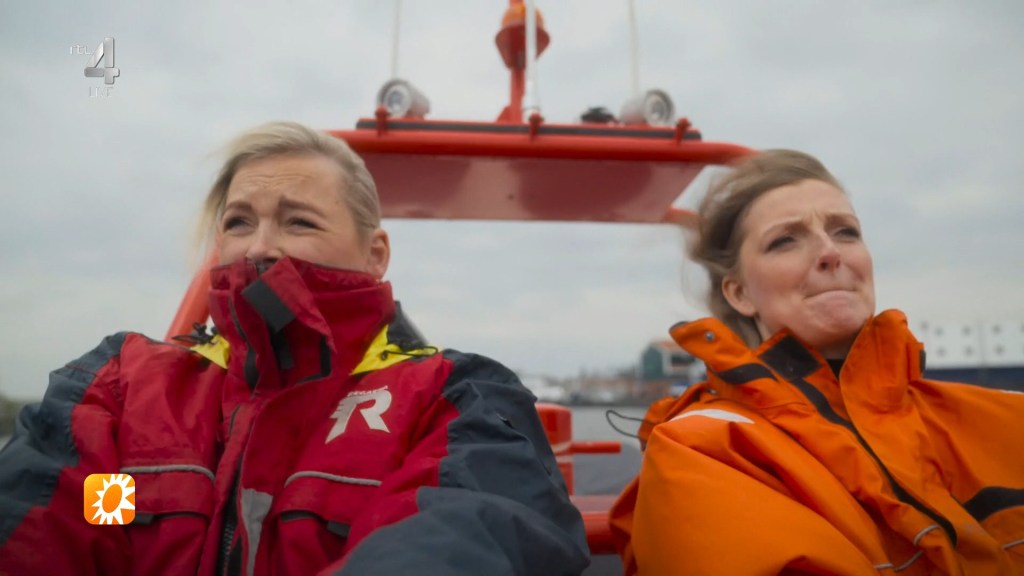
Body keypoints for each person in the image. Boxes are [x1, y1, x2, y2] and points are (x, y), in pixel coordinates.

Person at [0, 121, 589, 575]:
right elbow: (68, 525)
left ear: (376, 254)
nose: (260, 247)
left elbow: (463, 535)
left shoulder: (454, 403)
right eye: (238, 222)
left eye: (298, 222)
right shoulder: (121, 391)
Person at [609, 150, 1024, 575]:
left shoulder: (1005, 419)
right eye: (785, 240)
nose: (830, 252)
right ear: (739, 293)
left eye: (846, 232)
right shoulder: (704, 450)